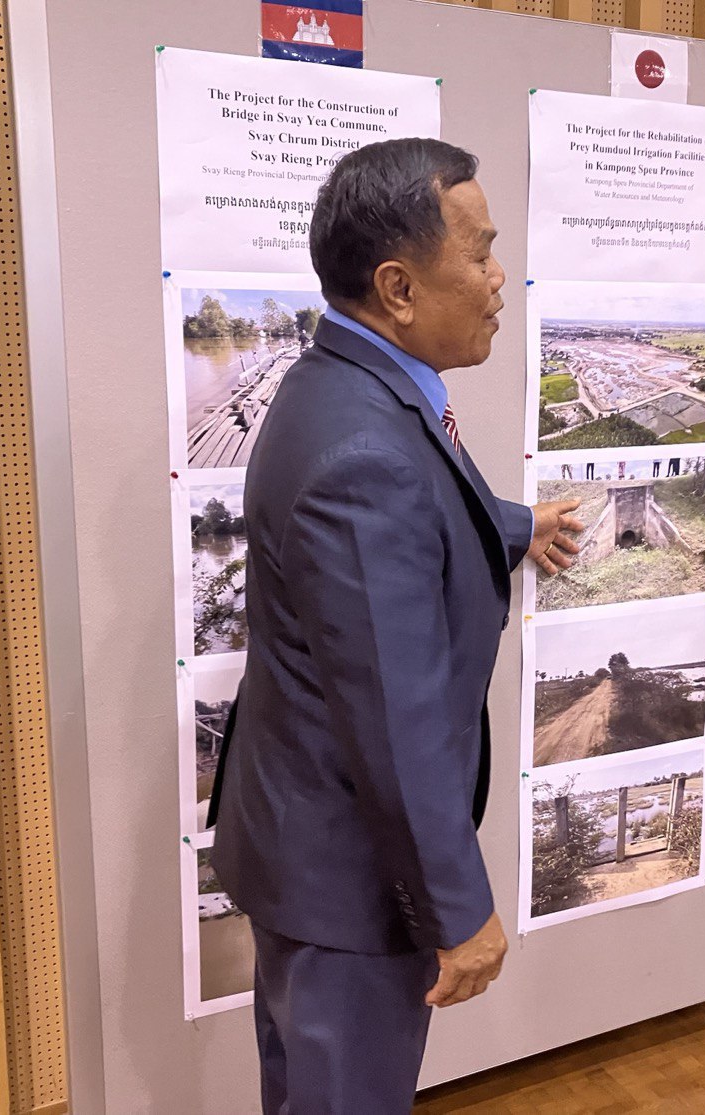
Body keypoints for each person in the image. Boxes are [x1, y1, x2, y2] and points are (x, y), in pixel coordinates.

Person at [208, 138, 583, 1115]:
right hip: (350, 881)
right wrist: (460, 911)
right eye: (480, 252)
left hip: (307, 847)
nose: (499, 278)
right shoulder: (363, 453)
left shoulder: (341, 384)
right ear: (399, 287)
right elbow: (396, 715)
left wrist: (516, 525)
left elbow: (413, 521)